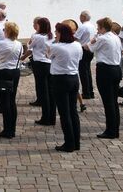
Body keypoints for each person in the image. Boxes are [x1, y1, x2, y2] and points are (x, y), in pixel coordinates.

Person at [49, 23, 82, 152]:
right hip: (73, 78)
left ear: (62, 33)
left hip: (60, 79)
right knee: (73, 111)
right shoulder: (77, 45)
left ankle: (69, 143)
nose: (55, 34)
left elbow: (48, 55)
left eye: (57, 32)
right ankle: (76, 142)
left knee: (64, 113)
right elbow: (80, 58)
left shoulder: (57, 47)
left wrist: (55, 42)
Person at [87, 18, 122, 139]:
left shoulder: (102, 38)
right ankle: (115, 128)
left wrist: (92, 41)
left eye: (98, 27)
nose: (97, 29)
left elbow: (89, 48)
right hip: (116, 69)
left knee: (108, 102)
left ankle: (110, 130)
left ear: (102, 27)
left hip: (105, 70)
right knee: (113, 101)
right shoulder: (115, 36)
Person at [24, 17, 55, 126]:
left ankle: (45, 117)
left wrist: (35, 34)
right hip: (49, 64)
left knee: (44, 92)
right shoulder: (51, 36)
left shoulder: (37, 36)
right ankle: (52, 117)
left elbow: (29, 46)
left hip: (40, 64)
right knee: (51, 92)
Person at [75, 10, 95, 99]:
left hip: (83, 49)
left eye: (80, 16)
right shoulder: (92, 26)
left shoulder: (83, 26)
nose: (79, 17)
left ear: (83, 17)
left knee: (83, 72)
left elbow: (76, 37)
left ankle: (86, 93)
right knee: (88, 71)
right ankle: (90, 91)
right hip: (90, 49)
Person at [26, 17, 42, 106]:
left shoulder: (36, 36)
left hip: (37, 61)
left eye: (34, 23)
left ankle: (40, 99)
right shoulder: (48, 35)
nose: (33, 25)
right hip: (45, 62)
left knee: (39, 82)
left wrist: (23, 57)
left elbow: (30, 48)